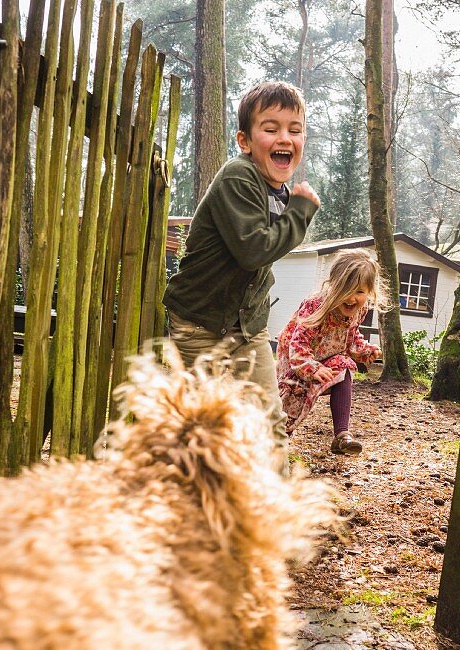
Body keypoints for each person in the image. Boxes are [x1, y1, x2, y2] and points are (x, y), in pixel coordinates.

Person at [163, 81, 320, 453]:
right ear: (245, 141)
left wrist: (291, 207)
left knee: (269, 427)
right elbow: (254, 250)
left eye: (294, 130)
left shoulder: (277, 189)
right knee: (208, 430)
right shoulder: (238, 176)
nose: (285, 137)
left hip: (247, 328)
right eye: (271, 128)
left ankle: (270, 509)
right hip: (200, 323)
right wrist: (300, 212)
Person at [276, 249, 385, 455]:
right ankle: (275, 436)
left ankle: (342, 436)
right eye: (347, 290)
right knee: (292, 398)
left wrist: (363, 351)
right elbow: (298, 342)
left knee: (344, 369)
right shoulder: (316, 306)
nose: (352, 298)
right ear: (333, 286)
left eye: (360, 292)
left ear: (369, 292)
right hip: (297, 358)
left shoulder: (359, 310)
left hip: (328, 357)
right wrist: (310, 367)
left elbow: (351, 337)